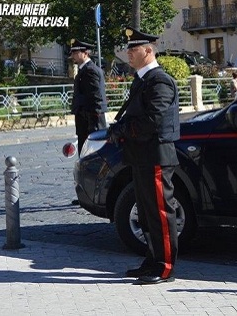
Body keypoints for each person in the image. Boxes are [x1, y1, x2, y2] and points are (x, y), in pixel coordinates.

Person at [108, 27, 180, 285]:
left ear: (148, 51)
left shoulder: (159, 81)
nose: (128, 53)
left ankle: (165, 266)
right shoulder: (143, 80)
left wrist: (123, 130)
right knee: (146, 213)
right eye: (128, 48)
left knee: (161, 212)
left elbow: (152, 121)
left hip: (156, 155)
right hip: (141, 156)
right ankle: (152, 260)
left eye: (133, 49)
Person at [70, 39, 107, 154]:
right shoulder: (84, 70)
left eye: (76, 53)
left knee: (92, 151)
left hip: (91, 119)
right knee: (84, 150)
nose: (73, 56)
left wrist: (94, 118)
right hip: (84, 118)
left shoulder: (90, 70)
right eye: (73, 53)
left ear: (85, 53)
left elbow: (96, 96)